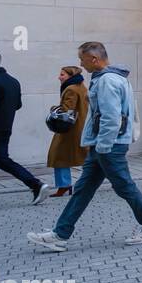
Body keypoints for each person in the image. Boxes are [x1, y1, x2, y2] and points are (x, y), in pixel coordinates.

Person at [26, 42, 142, 252]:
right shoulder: (114, 78)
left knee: (124, 186)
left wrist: (104, 146)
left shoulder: (107, 81)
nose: (81, 64)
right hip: (104, 144)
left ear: (94, 59)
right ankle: (60, 234)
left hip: (108, 145)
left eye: (82, 59)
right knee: (83, 189)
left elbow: (110, 117)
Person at [0, 50, 49, 211]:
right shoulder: (13, 81)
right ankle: (36, 184)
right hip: (4, 129)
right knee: (3, 161)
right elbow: (17, 105)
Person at [47, 65, 89, 197]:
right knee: (87, 157)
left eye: (62, 74)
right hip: (79, 127)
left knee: (58, 157)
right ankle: (109, 175)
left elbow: (67, 110)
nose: (59, 77)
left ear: (70, 76)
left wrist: (54, 108)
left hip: (69, 129)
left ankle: (64, 185)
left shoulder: (70, 89)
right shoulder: (81, 87)